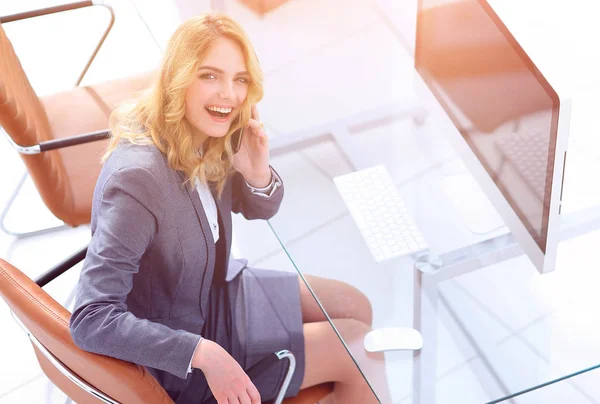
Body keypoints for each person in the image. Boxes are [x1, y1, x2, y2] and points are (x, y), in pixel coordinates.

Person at [70, 12, 389, 404]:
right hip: (183, 351)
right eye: (210, 75)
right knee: (361, 350)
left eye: (239, 79)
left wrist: (256, 174)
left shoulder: (203, 131)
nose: (230, 95)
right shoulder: (138, 179)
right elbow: (90, 318)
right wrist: (199, 352)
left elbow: (256, 209)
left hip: (217, 291)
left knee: (355, 305)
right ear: (179, 77)